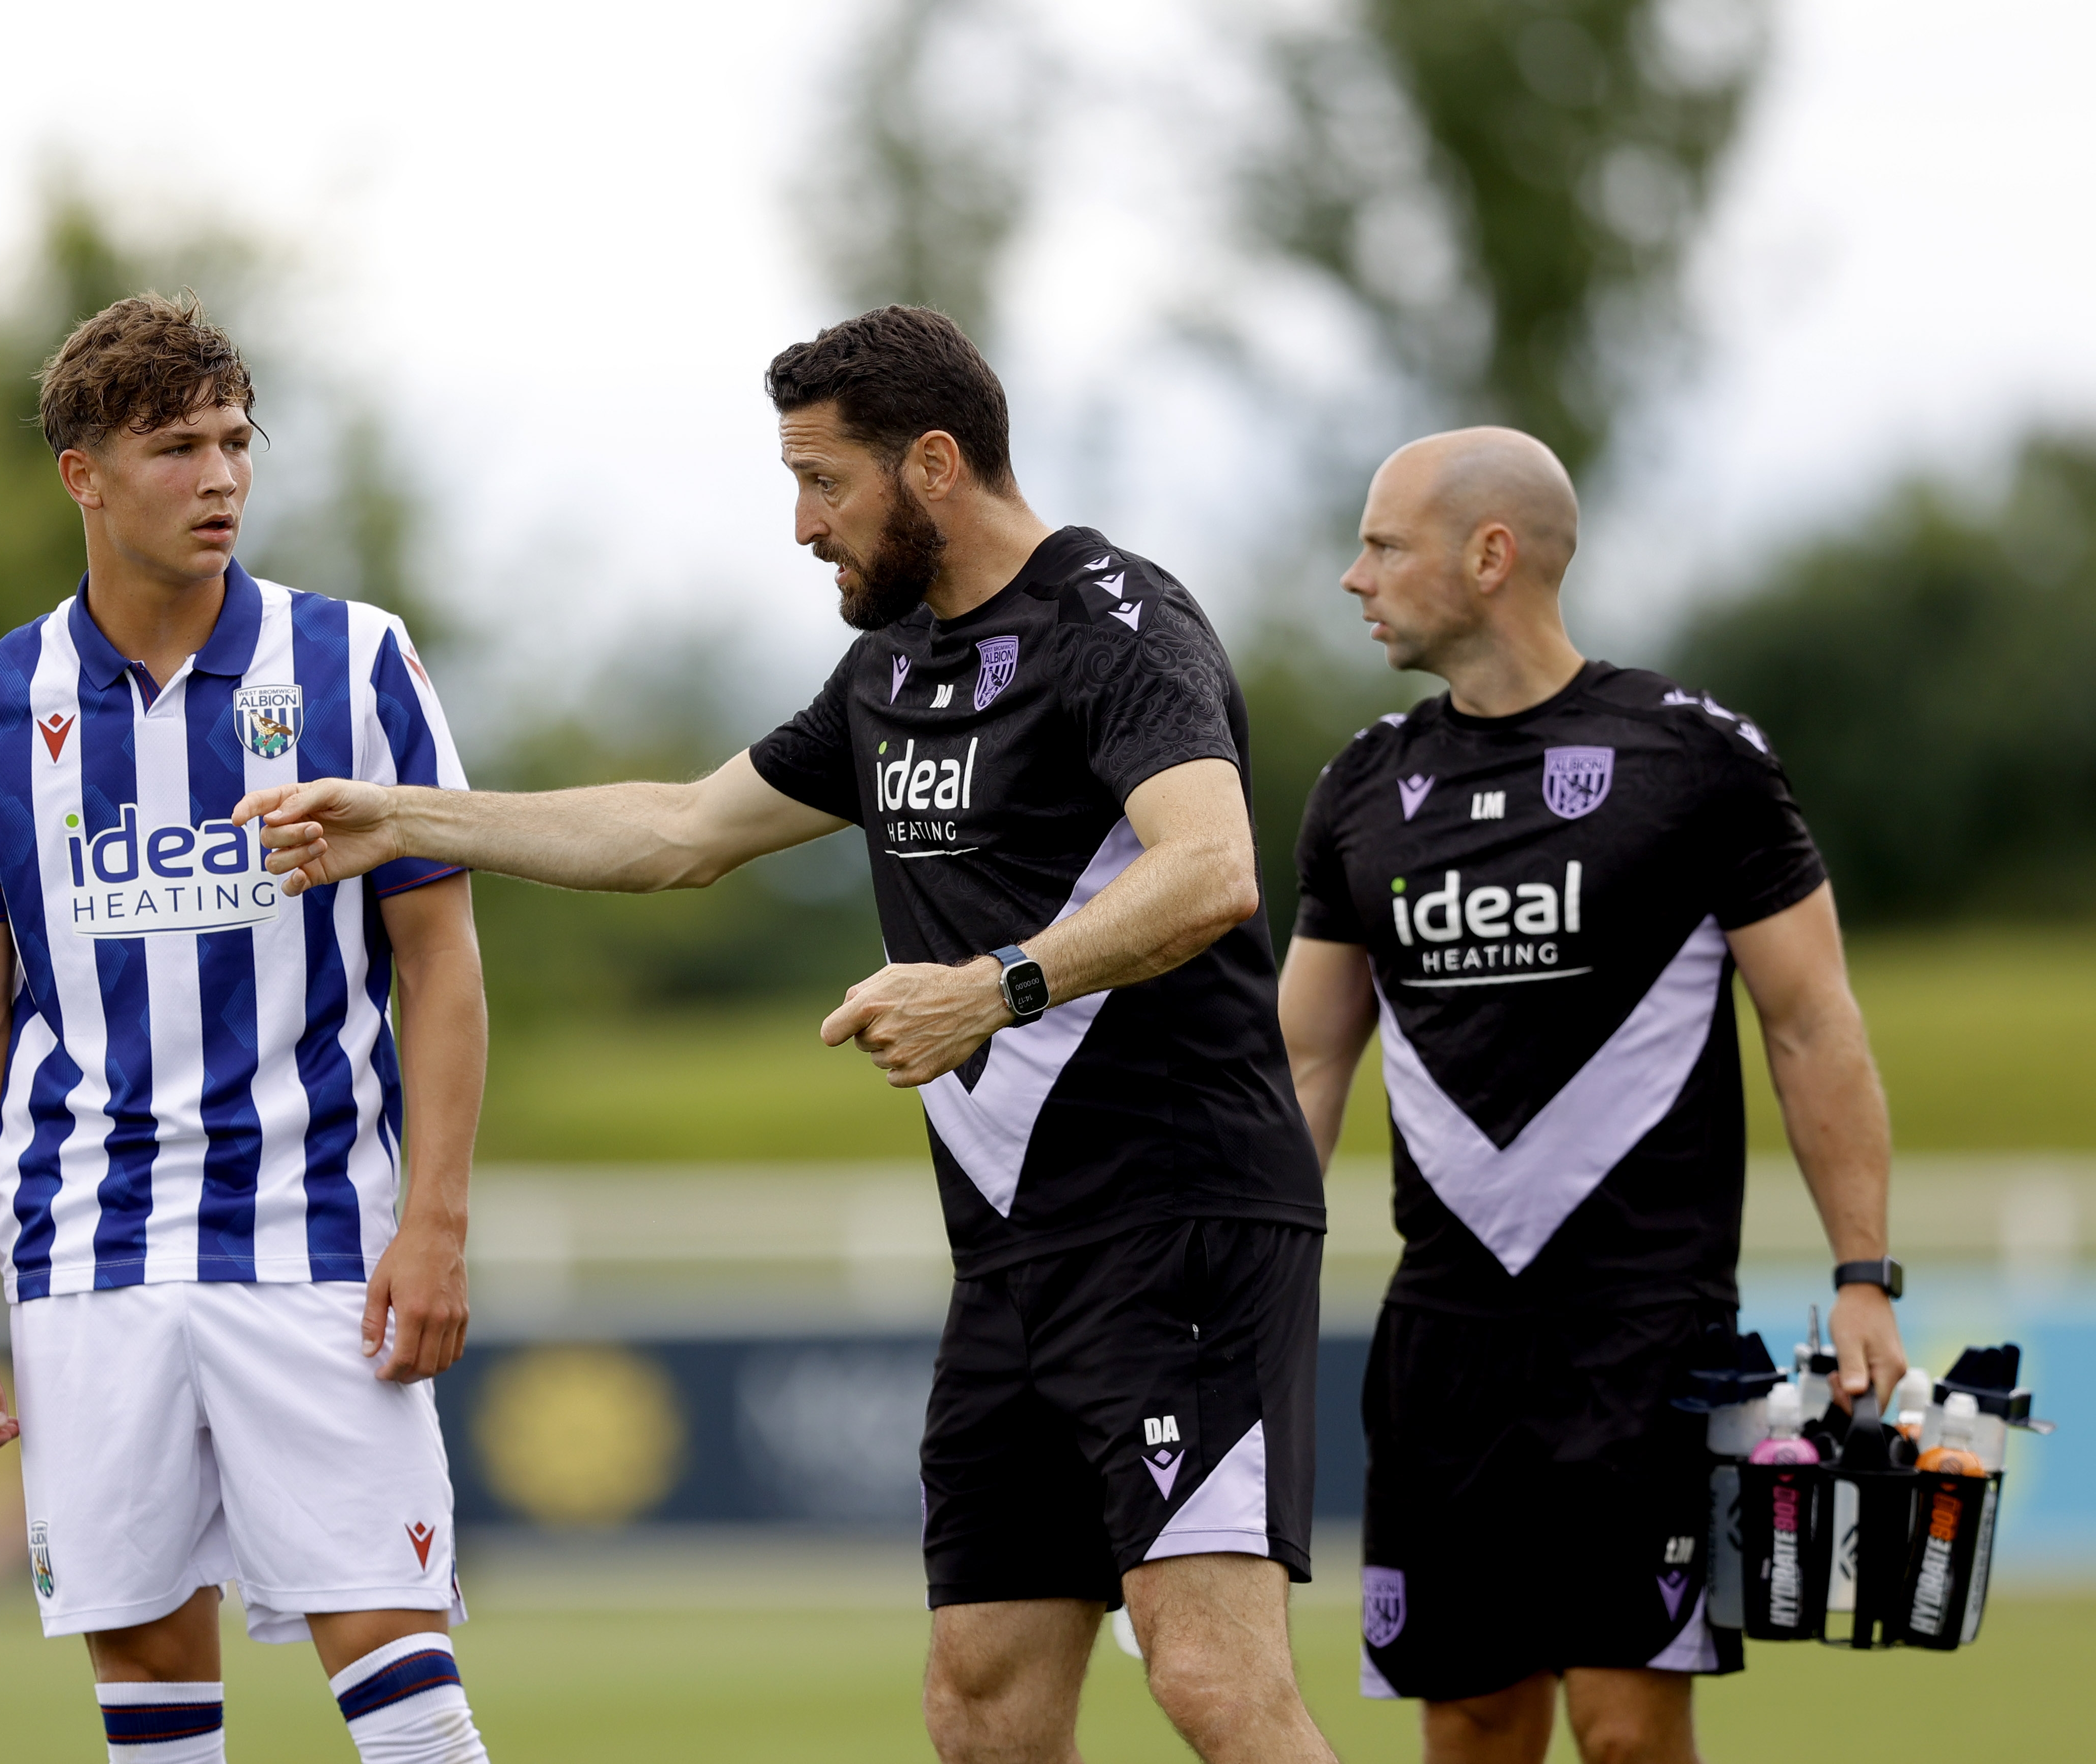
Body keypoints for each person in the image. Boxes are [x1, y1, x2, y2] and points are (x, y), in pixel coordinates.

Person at [234, 305, 1340, 1764]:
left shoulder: (1113, 622)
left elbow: (1210, 869)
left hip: (1177, 1220)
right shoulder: (891, 674)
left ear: (933, 463)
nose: (802, 524)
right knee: (984, 1701)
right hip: (1013, 1254)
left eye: (823, 480)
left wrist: (990, 984)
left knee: (1210, 1682)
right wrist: (405, 818)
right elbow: (681, 828)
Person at [0, 292, 492, 1764]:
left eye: (237, 441)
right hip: (86, 1246)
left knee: (409, 1694)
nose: (222, 476)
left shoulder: (355, 663)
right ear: (82, 475)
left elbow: (440, 963)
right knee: (156, 1717)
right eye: (178, 447)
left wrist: (434, 1220)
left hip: (313, 1239)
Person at [1276, 427, 1908, 1764]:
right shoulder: (1358, 789)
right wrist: (1241, 1281)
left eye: (1382, 544)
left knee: (1624, 1729)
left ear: (1487, 555)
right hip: (1440, 1342)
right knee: (1474, 1720)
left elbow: (1810, 1024)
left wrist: (1865, 1271)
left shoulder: (1696, 759)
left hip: (1644, 1335)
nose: (1354, 576)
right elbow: (1305, 1058)